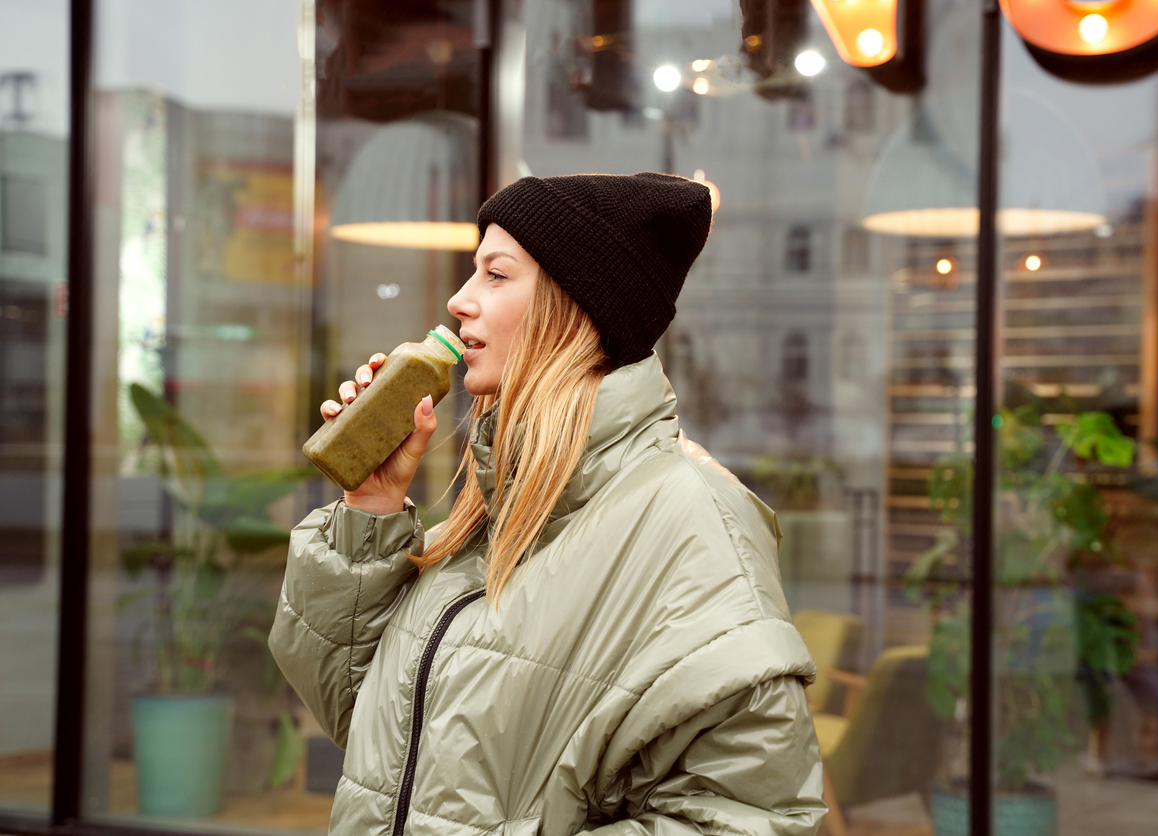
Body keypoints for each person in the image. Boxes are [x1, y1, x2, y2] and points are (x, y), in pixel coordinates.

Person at [269, 172, 826, 835]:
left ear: (575, 305)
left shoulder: (692, 519)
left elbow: (752, 816)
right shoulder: (496, 508)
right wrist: (373, 505)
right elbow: (366, 725)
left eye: (495, 276)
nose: (459, 299)